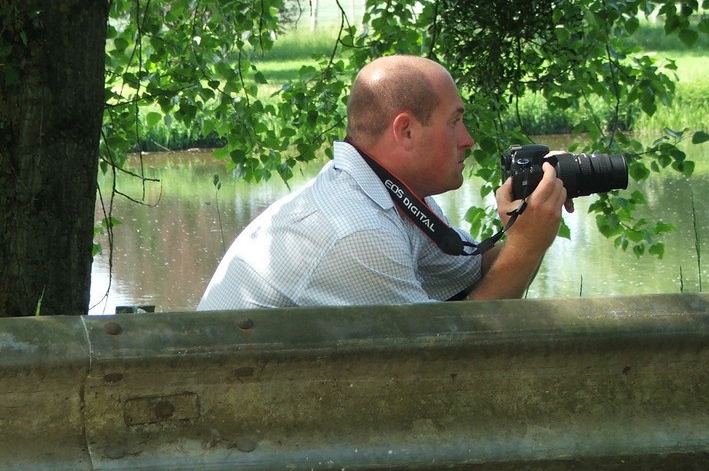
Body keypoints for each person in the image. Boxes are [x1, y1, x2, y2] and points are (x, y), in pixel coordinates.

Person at [198, 54, 570, 312]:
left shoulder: (383, 195)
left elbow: (481, 274)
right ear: (405, 131)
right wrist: (525, 245)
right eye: (454, 122)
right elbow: (447, 352)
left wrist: (525, 226)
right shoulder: (356, 229)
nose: (468, 139)